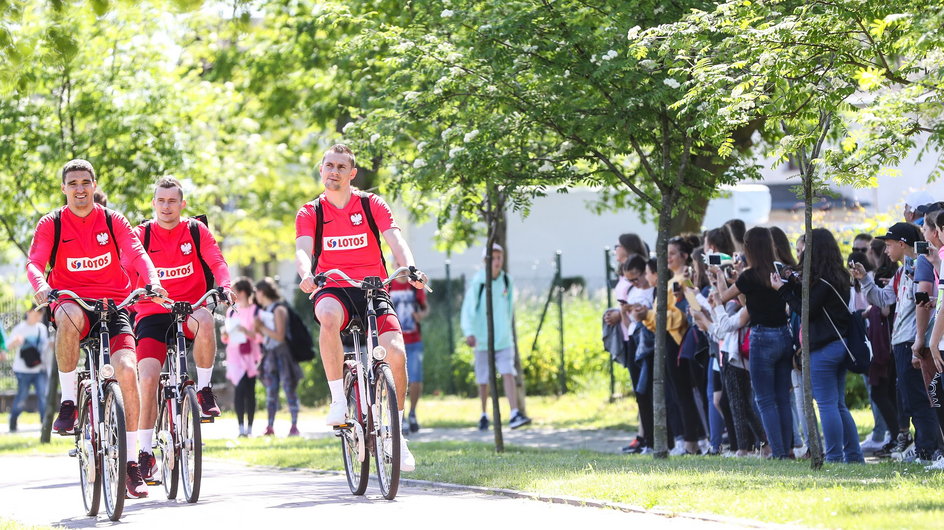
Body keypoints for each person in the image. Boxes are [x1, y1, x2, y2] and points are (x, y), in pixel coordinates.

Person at [26, 158, 167, 498]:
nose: (79, 188)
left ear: (93, 185)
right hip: (72, 301)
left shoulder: (113, 219)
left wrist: (152, 280)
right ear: (64, 189)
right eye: (72, 183)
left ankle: (132, 462)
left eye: (85, 182)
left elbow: (136, 253)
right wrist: (40, 286)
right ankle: (70, 402)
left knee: (128, 371)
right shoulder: (52, 224)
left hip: (114, 305)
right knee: (69, 315)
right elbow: (34, 262)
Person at [294, 144, 427, 472]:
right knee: (326, 315)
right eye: (328, 165)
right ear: (321, 169)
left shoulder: (371, 204)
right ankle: (339, 399)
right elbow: (302, 249)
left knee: (395, 352)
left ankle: (397, 434)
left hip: (372, 287)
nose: (333, 171)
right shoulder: (311, 212)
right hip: (334, 287)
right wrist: (306, 274)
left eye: (341, 166)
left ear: (352, 174)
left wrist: (409, 267)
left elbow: (395, 240)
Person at [131, 176, 233, 481]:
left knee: (205, 319)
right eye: (160, 201)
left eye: (172, 201)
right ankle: (146, 452)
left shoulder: (195, 230)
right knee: (148, 378)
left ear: (182, 204)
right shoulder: (141, 235)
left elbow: (217, 262)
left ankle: (203, 390)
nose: (166, 206)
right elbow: (125, 267)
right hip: (151, 313)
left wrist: (225, 286)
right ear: (153, 204)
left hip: (189, 308)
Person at [774, 229, 864, 463]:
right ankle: (853, 455)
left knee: (826, 405)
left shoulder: (822, 282)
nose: (801, 253)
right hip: (840, 344)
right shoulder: (838, 277)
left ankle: (834, 456)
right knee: (838, 405)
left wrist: (782, 290)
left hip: (824, 349)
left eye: (804, 249)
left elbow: (807, 310)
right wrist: (793, 282)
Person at [853, 222, 939, 462]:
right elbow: (883, 299)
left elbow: (925, 303)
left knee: (920, 399)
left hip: (913, 340)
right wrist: (864, 280)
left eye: (889, 245)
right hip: (901, 342)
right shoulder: (900, 273)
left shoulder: (922, 266)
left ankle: (928, 450)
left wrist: (919, 342)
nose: (886, 250)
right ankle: (924, 446)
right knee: (909, 399)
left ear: (902, 244)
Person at [718, 227, 794, 459]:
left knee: (764, 399)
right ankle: (788, 449)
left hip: (761, 337)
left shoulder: (749, 276)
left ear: (748, 247)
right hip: (784, 335)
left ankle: (778, 452)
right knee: (782, 397)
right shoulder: (779, 272)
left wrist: (720, 277)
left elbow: (724, 297)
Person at [461, 243, 532, 431]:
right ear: (486, 261)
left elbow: (509, 310)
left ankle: (514, 412)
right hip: (482, 338)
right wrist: (469, 332)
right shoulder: (479, 282)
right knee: (483, 378)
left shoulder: (507, 281)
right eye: (494, 257)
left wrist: (507, 331)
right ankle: (484, 414)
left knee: (508, 372)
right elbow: (468, 309)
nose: (498, 261)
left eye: (500, 257)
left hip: (503, 338)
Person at [254, 278, 302, 437]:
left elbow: (280, 336)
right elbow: (265, 335)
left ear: (262, 292)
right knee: (271, 391)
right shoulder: (266, 310)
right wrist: (259, 329)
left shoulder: (279, 309)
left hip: (283, 354)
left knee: (289, 389)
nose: (256, 296)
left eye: (257, 292)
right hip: (269, 354)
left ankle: (294, 426)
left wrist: (262, 328)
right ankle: (270, 426)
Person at [388, 264, 429, 434]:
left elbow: (425, 307)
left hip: (413, 339)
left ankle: (412, 413)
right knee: (394, 379)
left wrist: (421, 315)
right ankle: (400, 416)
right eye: (398, 264)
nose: (401, 269)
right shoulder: (388, 285)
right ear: (393, 266)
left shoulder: (414, 286)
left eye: (403, 264)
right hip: (394, 341)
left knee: (416, 378)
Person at [222, 277, 263, 438]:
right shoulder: (231, 311)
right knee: (238, 391)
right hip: (234, 356)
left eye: (234, 291)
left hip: (251, 355)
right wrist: (226, 334)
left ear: (243, 292)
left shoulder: (255, 311)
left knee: (249, 391)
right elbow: (226, 337)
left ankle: (250, 428)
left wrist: (245, 332)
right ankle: (240, 428)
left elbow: (260, 336)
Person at [6, 306, 50, 432]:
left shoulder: (41, 329)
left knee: (42, 395)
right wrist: (15, 342)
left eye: (40, 314)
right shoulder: (20, 328)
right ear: (29, 312)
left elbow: (45, 347)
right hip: (22, 370)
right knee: (22, 396)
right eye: (36, 313)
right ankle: (13, 421)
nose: (39, 316)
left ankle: (45, 424)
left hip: (39, 369)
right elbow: (8, 346)